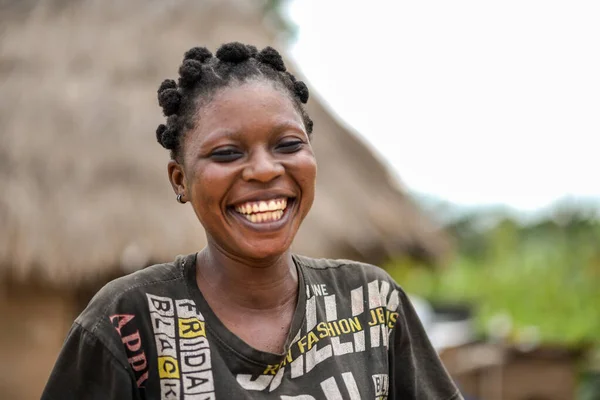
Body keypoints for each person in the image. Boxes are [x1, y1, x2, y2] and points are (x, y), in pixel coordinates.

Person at [42, 42, 462, 400]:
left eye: (288, 144)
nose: (263, 170)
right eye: (226, 153)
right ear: (180, 180)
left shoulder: (372, 306)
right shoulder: (126, 322)